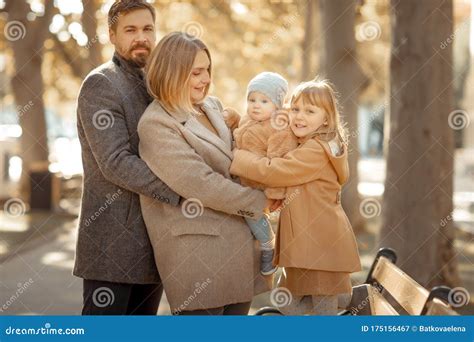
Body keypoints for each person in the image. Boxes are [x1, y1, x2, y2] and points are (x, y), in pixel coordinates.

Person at [137, 32, 275, 315]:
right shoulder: (156, 123)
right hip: (198, 254)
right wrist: (261, 202)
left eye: (208, 70)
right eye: (196, 72)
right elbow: (201, 184)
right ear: (172, 72)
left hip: (238, 247)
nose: (206, 79)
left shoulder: (211, 106)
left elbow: (237, 156)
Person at [74, 0, 179, 315]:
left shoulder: (157, 85)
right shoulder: (101, 84)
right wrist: (181, 190)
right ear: (111, 35)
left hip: (154, 244)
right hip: (112, 249)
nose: (141, 38)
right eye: (130, 30)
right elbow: (116, 162)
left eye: (147, 29)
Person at [230, 79, 362, 315]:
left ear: (326, 118)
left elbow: (275, 171)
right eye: (295, 109)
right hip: (307, 244)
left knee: (321, 310)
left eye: (310, 111)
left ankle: (344, 302)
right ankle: (346, 300)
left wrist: (238, 159)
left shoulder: (316, 150)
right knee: (288, 302)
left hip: (319, 245)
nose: (299, 117)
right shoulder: (311, 143)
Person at [225, 72, 298, 275]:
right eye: (252, 100)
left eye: (264, 101)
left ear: (277, 105)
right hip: (242, 179)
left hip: (259, 185)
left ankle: (268, 244)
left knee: (253, 216)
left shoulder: (279, 129)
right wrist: (233, 119)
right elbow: (241, 130)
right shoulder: (250, 118)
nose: (256, 105)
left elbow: (278, 164)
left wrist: (275, 194)